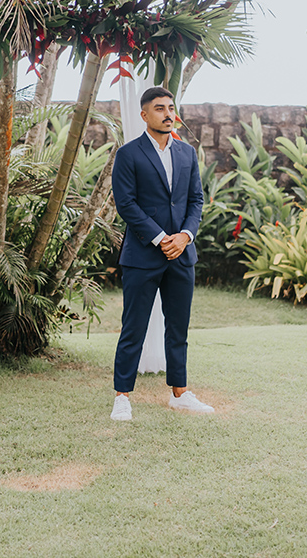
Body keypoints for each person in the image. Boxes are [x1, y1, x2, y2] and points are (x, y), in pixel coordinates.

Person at [109, 86, 214, 421]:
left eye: (171, 107)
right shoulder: (129, 154)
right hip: (142, 256)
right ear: (144, 115)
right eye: (159, 108)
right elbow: (126, 204)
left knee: (178, 328)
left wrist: (184, 236)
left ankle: (180, 393)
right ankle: (122, 396)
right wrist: (159, 238)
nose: (168, 113)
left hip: (182, 255)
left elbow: (196, 199)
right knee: (133, 328)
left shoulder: (187, 153)